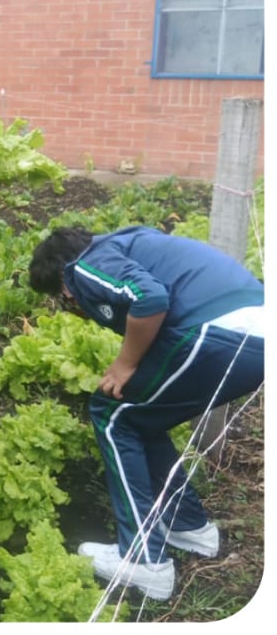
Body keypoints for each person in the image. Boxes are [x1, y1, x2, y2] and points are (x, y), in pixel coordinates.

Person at [29, 224, 264, 601]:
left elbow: (151, 298)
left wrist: (125, 363)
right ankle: (190, 526)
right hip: (255, 335)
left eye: (61, 298)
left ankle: (144, 561)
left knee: (112, 416)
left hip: (219, 333)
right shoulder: (126, 244)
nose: (68, 304)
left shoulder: (82, 266)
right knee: (141, 416)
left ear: (63, 283)